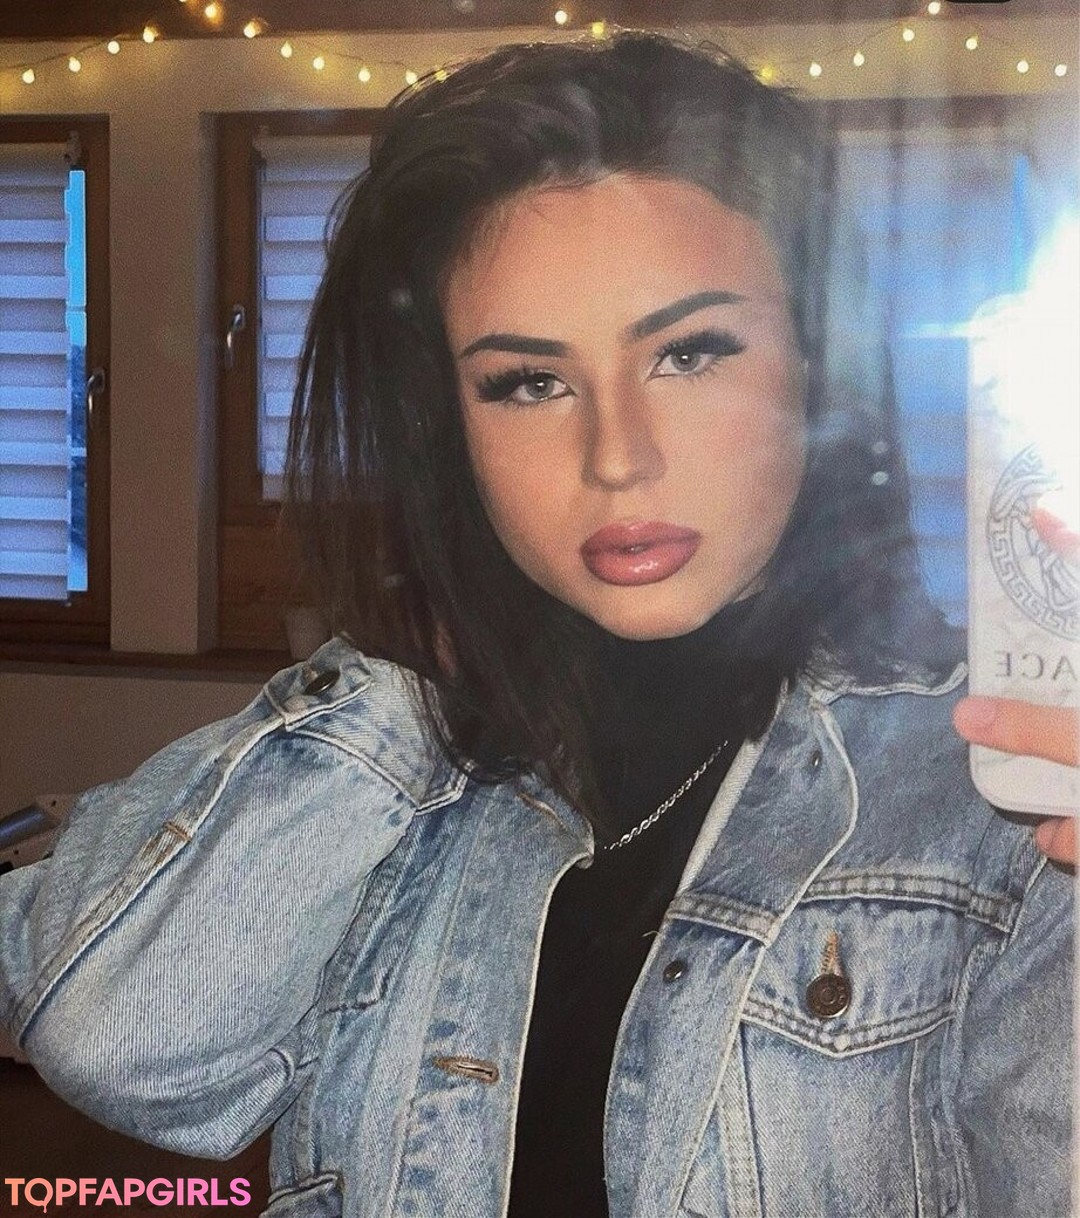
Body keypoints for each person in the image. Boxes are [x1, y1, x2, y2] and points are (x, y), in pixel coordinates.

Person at [0, 31, 1074, 1218]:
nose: (617, 458)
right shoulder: (386, 778)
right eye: (529, 382)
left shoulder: (1002, 799)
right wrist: (413, 666)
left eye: (689, 354)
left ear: (820, 367)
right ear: (448, 425)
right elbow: (119, 1046)